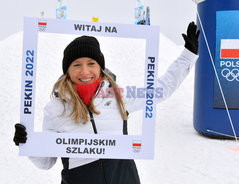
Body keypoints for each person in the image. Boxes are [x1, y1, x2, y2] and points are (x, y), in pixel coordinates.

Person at [13, 22, 200, 184]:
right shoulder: (56, 109)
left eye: (91, 63)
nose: (85, 71)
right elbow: (46, 162)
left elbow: (160, 89)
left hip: (124, 177)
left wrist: (188, 55)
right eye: (76, 64)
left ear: (101, 68)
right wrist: (27, 144)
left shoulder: (118, 96)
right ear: (67, 71)